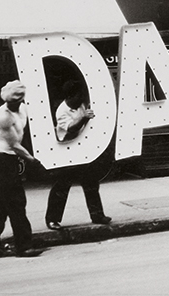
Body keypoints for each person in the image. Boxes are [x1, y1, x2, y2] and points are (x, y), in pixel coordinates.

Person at [0, 80, 44, 258]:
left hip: (10, 159)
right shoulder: (3, 117)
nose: (15, 104)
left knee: (4, 205)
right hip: (2, 159)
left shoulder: (23, 109)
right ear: (7, 101)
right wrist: (33, 160)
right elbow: (15, 144)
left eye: (18, 100)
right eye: (12, 101)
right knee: (16, 202)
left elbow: (22, 135)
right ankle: (23, 246)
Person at [45, 80, 111, 230]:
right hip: (67, 151)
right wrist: (84, 118)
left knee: (91, 183)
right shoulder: (62, 111)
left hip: (83, 150)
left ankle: (97, 215)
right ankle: (52, 219)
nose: (81, 98)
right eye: (78, 96)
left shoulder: (81, 105)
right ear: (70, 96)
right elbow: (72, 129)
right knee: (62, 186)